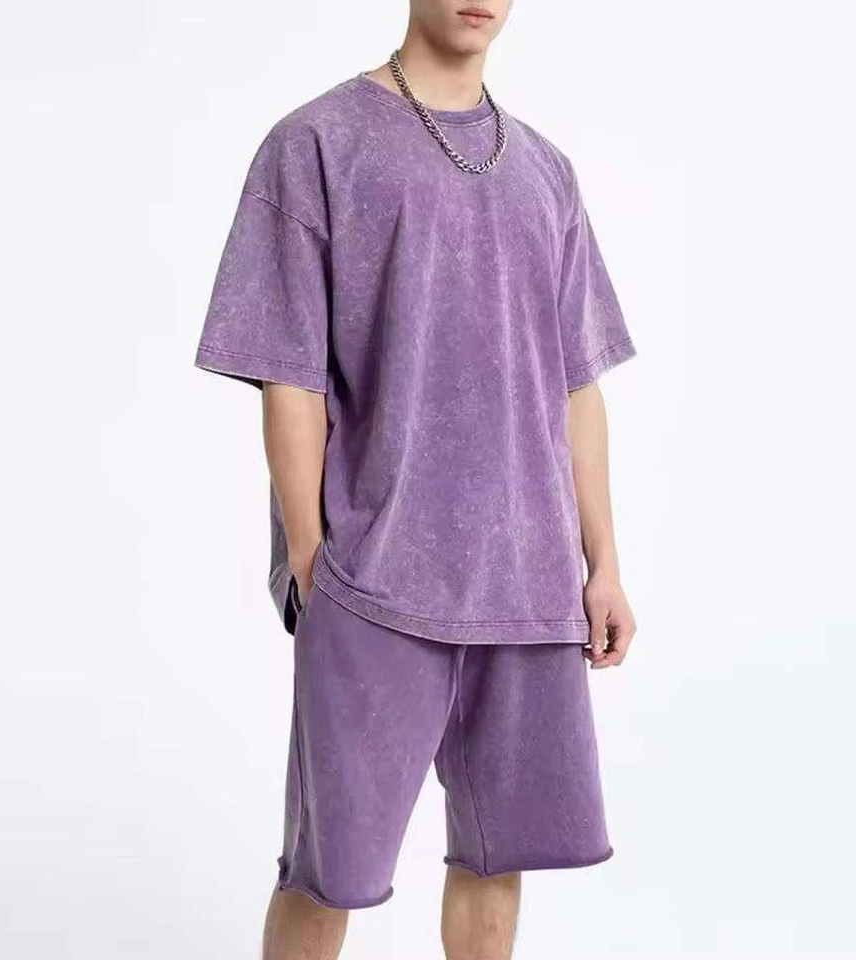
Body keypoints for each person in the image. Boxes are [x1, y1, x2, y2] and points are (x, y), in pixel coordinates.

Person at [195, 2, 637, 956]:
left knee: (498, 856)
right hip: (376, 576)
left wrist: (602, 564)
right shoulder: (316, 143)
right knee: (328, 870)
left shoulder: (546, 171)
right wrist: (313, 560)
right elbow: (288, 374)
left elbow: (576, 386)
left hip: (529, 583)